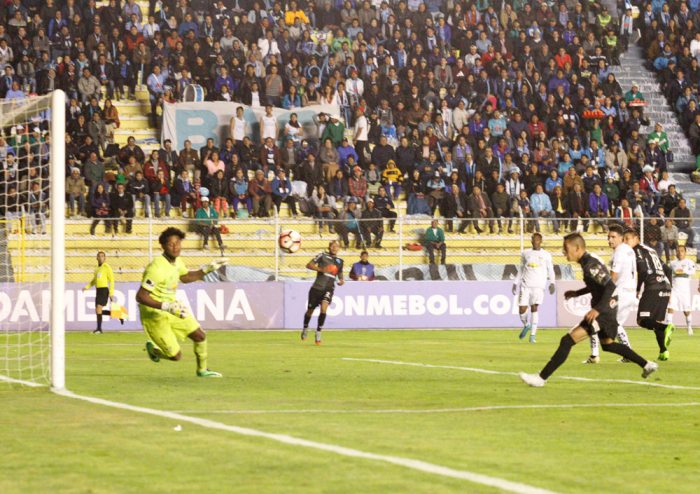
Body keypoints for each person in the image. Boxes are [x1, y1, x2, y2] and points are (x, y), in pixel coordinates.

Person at [519, 233, 658, 387]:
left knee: (567, 341)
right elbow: (598, 285)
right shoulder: (587, 262)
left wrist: (597, 310)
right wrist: (577, 293)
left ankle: (541, 378)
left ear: (577, 248)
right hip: (607, 308)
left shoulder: (590, 265)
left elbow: (610, 286)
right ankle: (646, 364)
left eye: (566, 248)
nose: (564, 252)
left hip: (604, 311)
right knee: (608, 345)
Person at [136, 227, 227, 377]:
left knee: (200, 336)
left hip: (173, 309)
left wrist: (207, 269)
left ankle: (202, 370)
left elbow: (185, 277)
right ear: (163, 246)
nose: (175, 247)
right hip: (154, 315)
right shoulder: (156, 268)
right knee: (175, 356)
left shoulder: (177, 261)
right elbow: (140, 296)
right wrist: (166, 306)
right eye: (171, 244)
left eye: (178, 243)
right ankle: (154, 351)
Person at [585, 224, 635, 364]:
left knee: (595, 319)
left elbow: (613, 277)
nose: (610, 240)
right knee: (616, 324)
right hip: (630, 293)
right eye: (608, 237)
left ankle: (595, 355)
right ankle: (628, 353)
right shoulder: (629, 250)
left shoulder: (619, 252)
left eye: (613, 237)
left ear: (621, 238)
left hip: (620, 293)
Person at [624, 228, 675, 361]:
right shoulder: (651, 250)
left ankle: (666, 327)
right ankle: (663, 351)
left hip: (653, 287)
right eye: (624, 239)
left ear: (636, 238)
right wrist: (669, 288)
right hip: (664, 286)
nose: (625, 242)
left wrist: (637, 289)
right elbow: (668, 270)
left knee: (642, 320)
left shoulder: (636, 251)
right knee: (655, 322)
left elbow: (643, 271)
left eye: (627, 239)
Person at [513, 233, 556, 344]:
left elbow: (551, 270)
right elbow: (521, 269)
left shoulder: (546, 255)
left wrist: (552, 283)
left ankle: (532, 335)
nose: (535, 242)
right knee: (521, 309)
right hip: (525, 285)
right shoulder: (525, 253)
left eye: (537, 240)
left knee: (534, 308)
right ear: (531, 241)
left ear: (541, 241)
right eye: (534, 239)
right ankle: (526, 325)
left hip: (539, 286)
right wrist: (515, 282)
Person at [302, 240, 345, 345]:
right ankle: (305, 328)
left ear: (339, 248)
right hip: (317, 288)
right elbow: (309, 265)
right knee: (310, 311)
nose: (334, 248)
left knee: (324, 309)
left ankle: (318, 332)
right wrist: (321, 269)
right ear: (329, 247)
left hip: (329, 288)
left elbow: (340, 273)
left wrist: (341, 280)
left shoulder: (340, 261)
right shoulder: (322, 256)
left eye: (337, 246)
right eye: (333, 246)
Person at [82, 251, 123, 334]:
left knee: (99, 308)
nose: (101, 258)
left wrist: (111, 293)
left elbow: (112, 280)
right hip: (98, 290)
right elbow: (94, 281)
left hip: (104, 290)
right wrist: (87, 287)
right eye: (99, 256)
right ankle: (116, 314)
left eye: (102, 256)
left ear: (105, 258)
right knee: (98, 310)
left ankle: (99, 329)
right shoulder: (97, 269)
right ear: (96, 258)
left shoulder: (106, 267)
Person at [667, 246, 696, 336]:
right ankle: (669, 328)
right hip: (674, 290)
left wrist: (683, 271)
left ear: (685, 252)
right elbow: (668, 274)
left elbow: (693, 271)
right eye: (678, 251)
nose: (679, 253)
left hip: (684, 291)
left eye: (682, 251)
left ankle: (689, 327)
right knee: (670, 308)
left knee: (686, 311)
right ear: (676, 252)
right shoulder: (672, 263)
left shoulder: (689, 262)